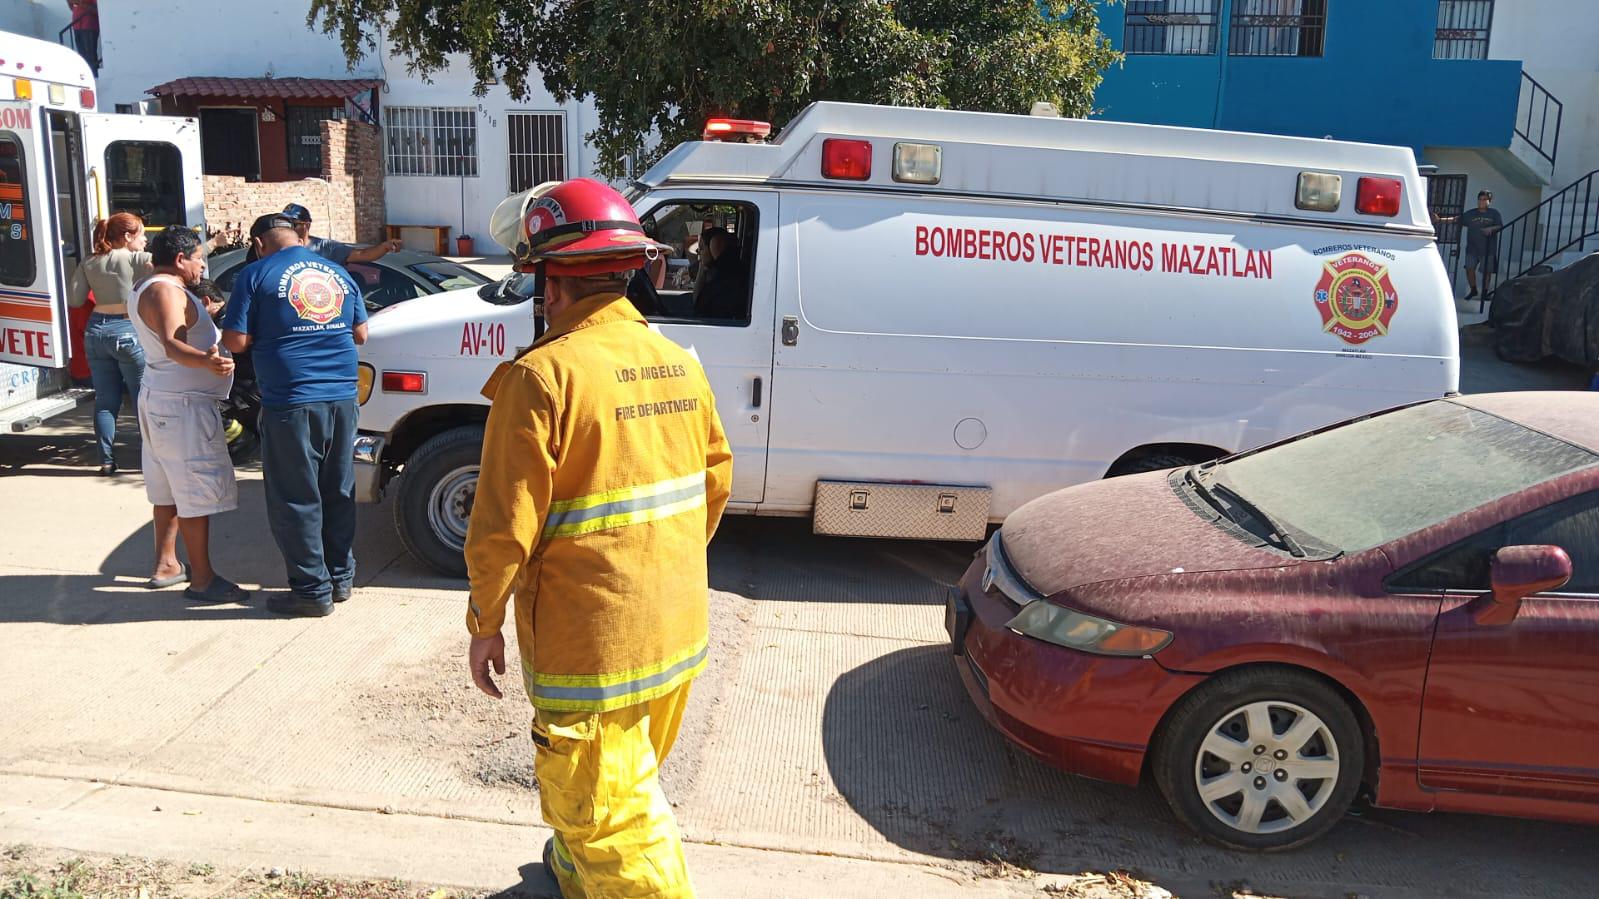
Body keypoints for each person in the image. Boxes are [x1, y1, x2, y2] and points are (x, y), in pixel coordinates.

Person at [463, 178, 732, 898]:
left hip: (591, 651)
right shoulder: (680, 359)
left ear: (550, 282)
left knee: (613, 820)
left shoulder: (540, 377)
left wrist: (484, 624)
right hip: (674, 631)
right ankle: (574, 872)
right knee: (624, 782)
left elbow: (500, 530)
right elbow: (714, 482)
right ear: (631, 269)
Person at [221, 213, 368, 617]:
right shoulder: (337, 272)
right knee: (337, 490)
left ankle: (311, 591)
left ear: (258, 243)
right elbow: (361, 334)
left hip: (291, 399)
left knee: (296, 497)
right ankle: (341, 580)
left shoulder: (255, 274)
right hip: (342, 397)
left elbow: (235, 341)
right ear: (299, 236)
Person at [127, 228, 248, 602]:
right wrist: (208, 361)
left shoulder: (147, 285)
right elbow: (172, 344)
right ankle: (203, 580)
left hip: (163, 400)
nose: (201, 266)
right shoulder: (165, 290)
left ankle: (167, 565)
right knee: (193, 492)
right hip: (181, 406)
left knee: (168, 490)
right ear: (180, 259)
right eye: (198, 258)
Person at [70, 215, 234, 474]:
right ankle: (153, 453)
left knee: (105, 399)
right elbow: (174, 262)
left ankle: (106, 459)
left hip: (95, 330)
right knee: (143, 395)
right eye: (141, 235)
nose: (145, 241)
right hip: (125, 329)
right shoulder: (136, 259)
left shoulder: (89, 261)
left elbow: (76, 298)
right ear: (126, 237)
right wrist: (214, 243)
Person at [279, 203, 402, 266]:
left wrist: (384, 247)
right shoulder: (277, 247)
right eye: (284, 223)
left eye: (293, 224)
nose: (288, 228)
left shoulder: (325, 248)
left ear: (307, 225)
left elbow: (362, 255)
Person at [1435, 189, 1503, 300]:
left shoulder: (1494, 213)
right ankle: (1473, 290)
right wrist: (1440, 220)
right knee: (1469, 268)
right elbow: (1456, 219)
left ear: (1489, 201)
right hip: (1472, 248)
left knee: (1487, 271)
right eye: (1480, 199)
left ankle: (1485, 293)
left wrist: (1490, 228)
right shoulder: (1471, 213)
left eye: (1484, 199)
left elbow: (1499, 225)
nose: (1481, 202)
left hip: (1488, 249)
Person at [66, 0, 99, 75]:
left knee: (90, 54)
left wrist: (80, 3)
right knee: (82, 56)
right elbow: (72, 7)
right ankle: (86, 75)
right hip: (77, 26)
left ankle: (94, 75)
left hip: (89, 26)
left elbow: (98, 10)